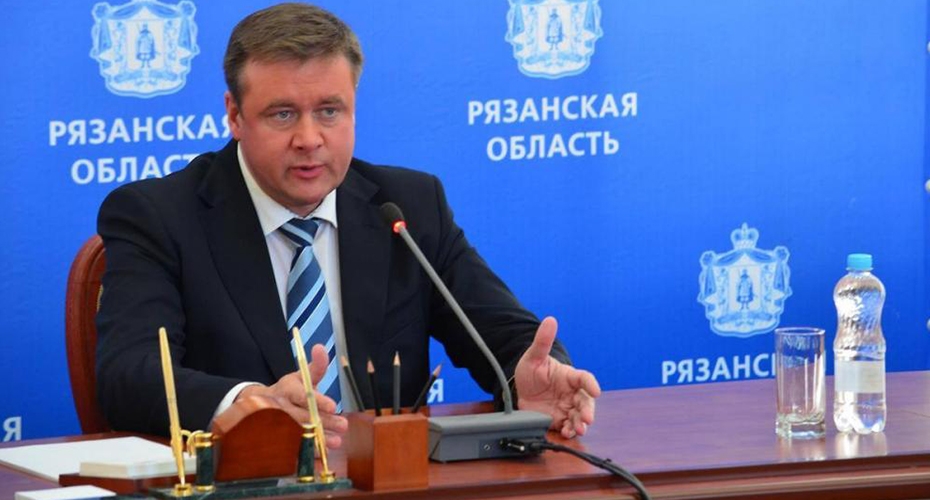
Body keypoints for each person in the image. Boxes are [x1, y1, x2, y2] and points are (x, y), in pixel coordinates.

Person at [95, 2, 600, 449]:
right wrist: (247, 403)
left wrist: (528, 375)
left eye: (329, 111)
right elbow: (129, 376)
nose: (309, 138)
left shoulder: (407, 207)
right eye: (282, 114)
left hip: (391, 480)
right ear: (234, 115)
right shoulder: (159, 217)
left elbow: (500, 333)